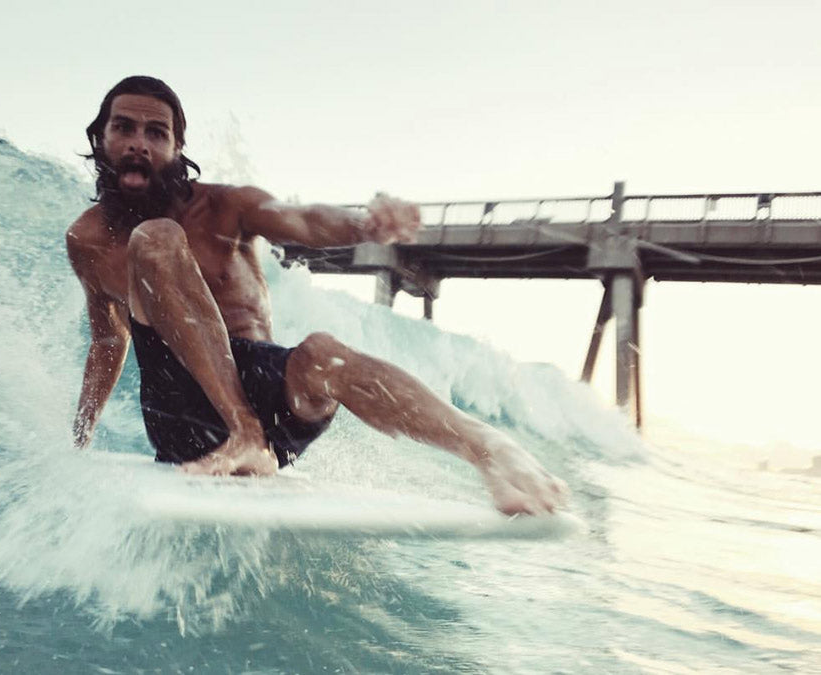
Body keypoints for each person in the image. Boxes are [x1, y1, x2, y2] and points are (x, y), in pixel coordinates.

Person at [67, 75, 567, 516]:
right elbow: (109, 340)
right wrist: (80, 438)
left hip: (266, 403)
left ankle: (491, 452)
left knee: (324, 356)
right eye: (124, 128)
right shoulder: (87, 239)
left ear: (178, 148)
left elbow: (302, 219)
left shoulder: (226, 207)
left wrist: (361, 223)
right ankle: (242, 434)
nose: (139, 144)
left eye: (157, 133)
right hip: (178, 409)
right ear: (101, 137)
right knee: (155, 238)